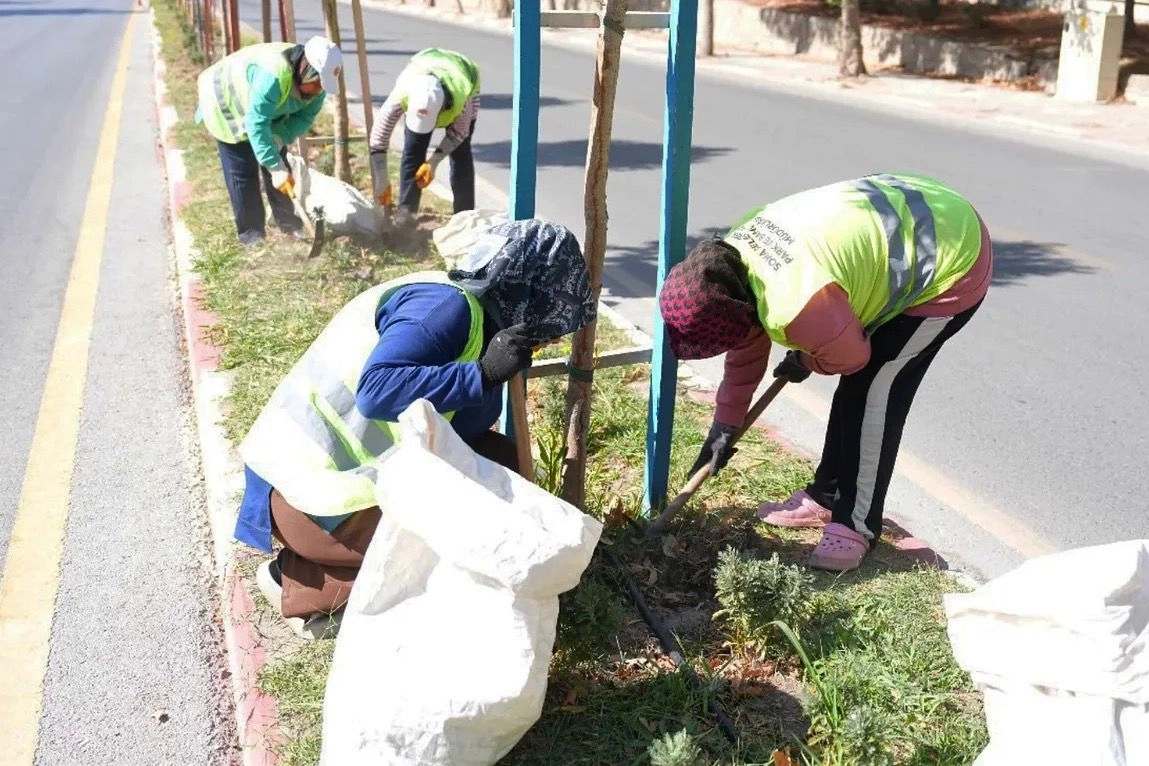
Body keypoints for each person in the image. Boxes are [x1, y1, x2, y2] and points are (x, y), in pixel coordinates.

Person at [235, 219, 595, 638]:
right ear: (530, 295)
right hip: (306, 496)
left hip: (336, 489)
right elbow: (375, 391)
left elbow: (464, 433)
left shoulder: (480, 321)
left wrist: (491, 375)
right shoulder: (444, 309)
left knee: (498, 462)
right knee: (461, 551)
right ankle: (300, 580)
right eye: (551, 322)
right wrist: (479, 375)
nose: (551, 336)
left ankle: (348, 571)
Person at [658, 173, 992, 572]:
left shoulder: (794, 304)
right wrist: (724, 429)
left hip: (950, 259)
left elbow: (851, 358)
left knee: (873, 392)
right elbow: (745, 356)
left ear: (742, 313)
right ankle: (827, 496)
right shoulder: (729, 266)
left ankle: (855, 526)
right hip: (907, 218)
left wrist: (806, 359)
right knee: (857, 390)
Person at [196, 37, 343, 246]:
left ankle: (290, 228)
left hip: (258, 110)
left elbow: (304, 119)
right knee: (243, 170)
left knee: (281, 167)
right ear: (306, 70)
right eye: (317, 83)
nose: (319, 89)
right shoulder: (274, 76)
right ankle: (252, 237)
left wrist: (280, 137)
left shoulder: (317, 89)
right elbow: (256, 123)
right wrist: (274, 166)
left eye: (323, 85)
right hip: (224, 101)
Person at [368, 48, 480, 223]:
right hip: (423, 63)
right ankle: (406, 213)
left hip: (463, 71)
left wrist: (433, 162)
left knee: (461, 153)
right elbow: (378, 139)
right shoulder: (402, 94)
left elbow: (459, 134)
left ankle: (464, 218)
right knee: (413, 149)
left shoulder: (461, 98)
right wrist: (382, 179)